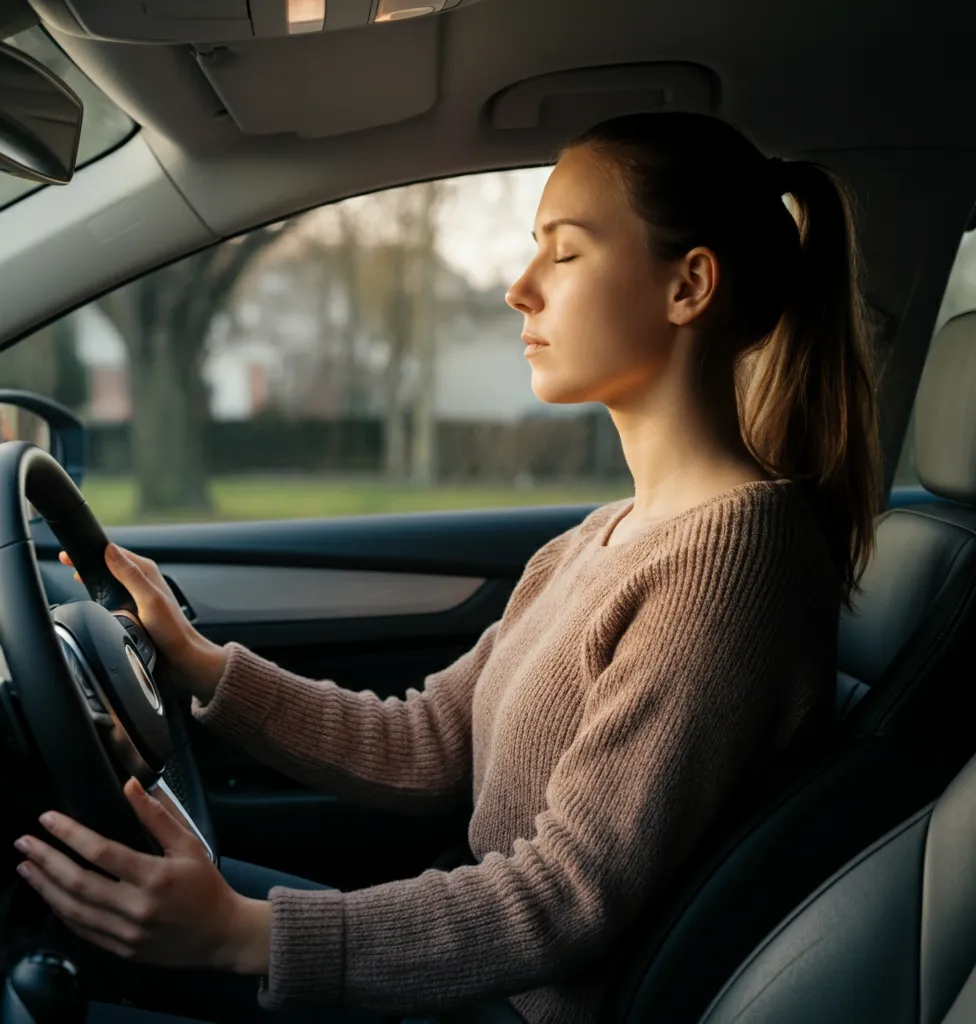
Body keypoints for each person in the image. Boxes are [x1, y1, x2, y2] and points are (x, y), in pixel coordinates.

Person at [15, 111, 881, 1024]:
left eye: (566, 252)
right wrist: (199, 664)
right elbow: (430, 742)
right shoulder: (600, 538)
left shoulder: (729, 566)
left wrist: (246, 935)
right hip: (480, 980)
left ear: (689, 285)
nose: (519, 289)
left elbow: (565, 895)